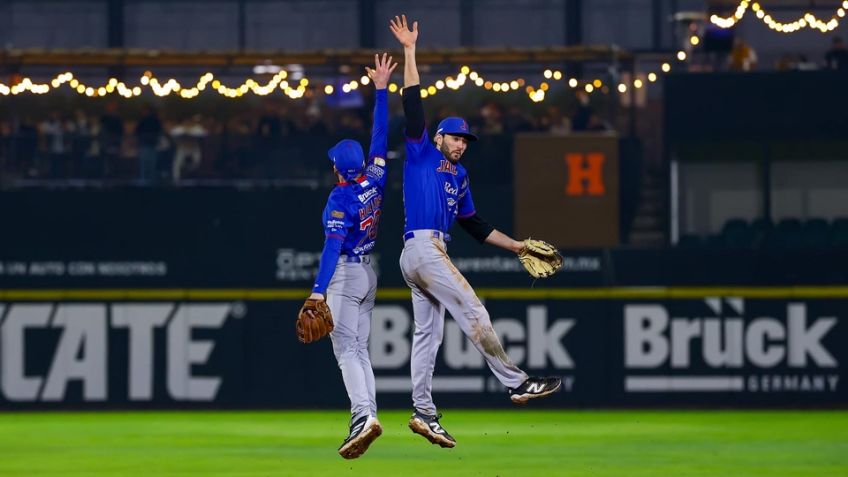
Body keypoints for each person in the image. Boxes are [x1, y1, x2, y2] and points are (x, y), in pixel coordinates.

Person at [389, 14, 562, 449]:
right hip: (422, 248)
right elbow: (412, 102)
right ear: (440, 137)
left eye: (465, 141)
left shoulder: (461, 177)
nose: (461, 144)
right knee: (473, 309)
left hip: (425, 254)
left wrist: (517, 245)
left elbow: (475, 225)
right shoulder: (421, 152)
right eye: (455, 138)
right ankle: (517, 383)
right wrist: (410, 50)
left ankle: (423, 412)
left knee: (429, 335)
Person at [307, 53, 396, 459]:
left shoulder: (339, 198)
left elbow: (331, 247)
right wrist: (381, 90)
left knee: (346, 352)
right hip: (368, 273)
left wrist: (318, 290)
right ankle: (367, 414)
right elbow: (380, 136)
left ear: (337, 169)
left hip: (345, 274)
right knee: (358, 350)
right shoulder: (375, 177)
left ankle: (363, 416)